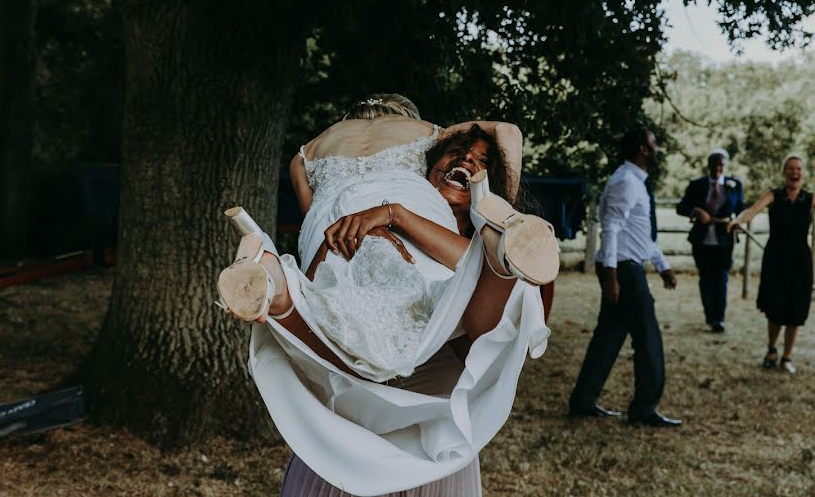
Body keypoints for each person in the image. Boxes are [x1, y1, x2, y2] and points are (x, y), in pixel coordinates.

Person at [218, 97, 556, 494]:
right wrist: (352, 235)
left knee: (481, 311)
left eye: (483, 164)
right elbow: (322, 242)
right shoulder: (420, 145)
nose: (468, 164)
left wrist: (394, 214)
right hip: (356, 407)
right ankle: (282, 298)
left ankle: (499, 253)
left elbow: (481, 344)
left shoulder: (437, 229)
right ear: (420, 164)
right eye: (456, 154)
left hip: (430, 405)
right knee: (332, 325)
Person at [569, 127, 682, 427]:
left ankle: (583, 400)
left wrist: (662, 266)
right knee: (648, 340)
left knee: (608, 336)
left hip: (625, 266)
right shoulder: (626, 182)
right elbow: (612, 228)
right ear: (643, 150)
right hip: (623, 270)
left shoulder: (633, 181)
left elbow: (639, 234)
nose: (657, 149)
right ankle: (644, 408)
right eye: (654, 144)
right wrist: (610, 275)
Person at [728, 155, 813, 374]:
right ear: (784, 172)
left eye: (798, 169)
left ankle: (787, 357)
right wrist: (739, 220)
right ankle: (771, 350)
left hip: (800, 261)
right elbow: (753, 210)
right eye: (790, 169)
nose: (795, 173)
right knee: (775, 308)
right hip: (776, 259)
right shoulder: (773, 195)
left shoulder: (810, 199)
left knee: (796, 309)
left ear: (803, 173)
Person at [676, 149, 745, 332]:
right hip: (701, 238)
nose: (718, 168)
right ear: (708, 165)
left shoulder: (735, 185)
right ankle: (709, 315)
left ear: (725, 166)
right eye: (714, 164)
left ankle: (719, 319)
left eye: (721, 164)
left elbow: (741, 208)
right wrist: (696, 211)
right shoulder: (697, 185)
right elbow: (681, 207)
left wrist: (739, 220)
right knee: (706, 278)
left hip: (724, 238)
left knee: (721, 278)